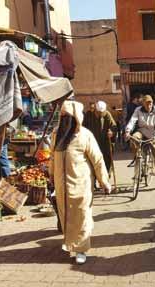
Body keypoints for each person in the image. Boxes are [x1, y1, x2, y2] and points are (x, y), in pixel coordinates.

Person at [49, 100, 111, 265]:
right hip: (62, 187)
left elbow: (97, 160)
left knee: (81, 215)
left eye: (67, 117)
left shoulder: (85, 135)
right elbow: (52, 157)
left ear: (76, 118)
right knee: (67, 217)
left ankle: (81, 249)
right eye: (62, 117)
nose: (64, 120)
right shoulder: (56, 134)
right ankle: (71, 243)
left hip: (81, 184)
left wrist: (104, 181)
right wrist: (51, 175)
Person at [125, 95, 155, 191]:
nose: (149, 105)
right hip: (142, 132)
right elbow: (132, 120)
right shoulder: (138, 110)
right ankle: (138, 157)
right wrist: (128, 131)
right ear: (143, 104)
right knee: (134, 138)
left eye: (150, 103)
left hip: (154, 134)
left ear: (152, 103)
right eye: (147, 103)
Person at [88, 101, 117, 175]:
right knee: (93, 160)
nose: (100, 114)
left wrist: (112, 132)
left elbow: (113, 126)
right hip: (94, 141)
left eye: (102, 112)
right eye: (98, 112)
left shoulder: (107, 114)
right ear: (96, 110)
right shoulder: (89, 115)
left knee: (107, 158)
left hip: (105, 140)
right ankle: (94, 178)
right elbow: (84, 127)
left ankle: (106, 175)